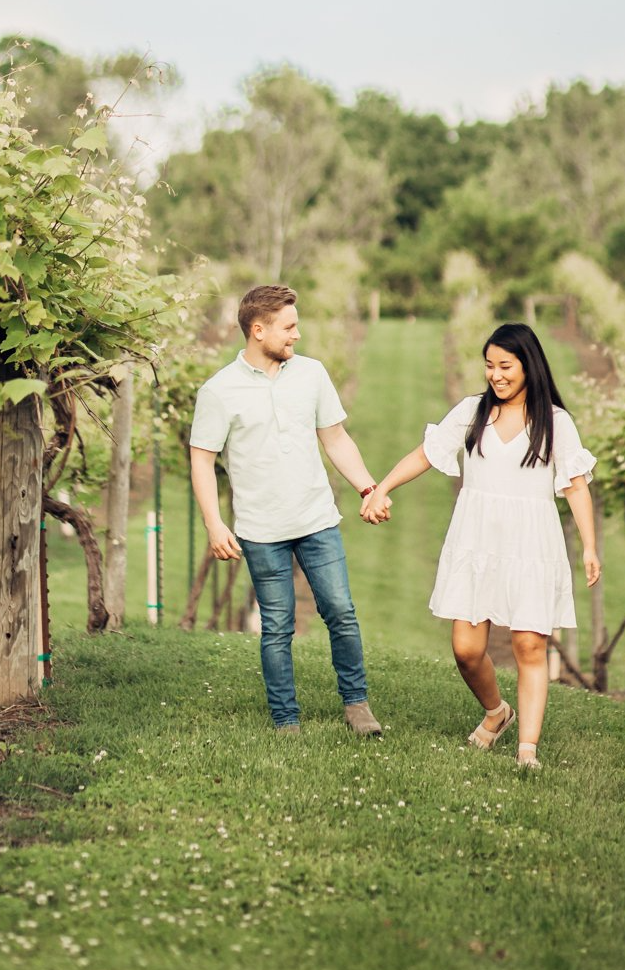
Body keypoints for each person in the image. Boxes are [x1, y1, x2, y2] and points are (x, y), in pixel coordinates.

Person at [360, 322, 600, 769]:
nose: (496, 375)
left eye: (505, 366)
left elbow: (577, 486)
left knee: (530, 645)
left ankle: (527, 750)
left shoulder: (555, 422)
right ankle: (497, 712)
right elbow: (425, 454)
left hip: (531, 544)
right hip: (477, 539)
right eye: (489, 366)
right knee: (467, 651)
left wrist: (589, 546)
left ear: (529, 365)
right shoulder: (472, 411)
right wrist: (381, 487)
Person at [189, 284, 384, 737]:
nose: (297, 334)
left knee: (340, 612)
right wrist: (214, 524)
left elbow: (334, 437)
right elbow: (201, 458)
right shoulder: (219, 391)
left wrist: (367, 488)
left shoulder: (312, 374)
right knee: (277, 627)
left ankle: (357, 706)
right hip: (260, 530)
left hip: (317, 520)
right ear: (259, 330)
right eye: (289, 326)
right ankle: (286, 720)